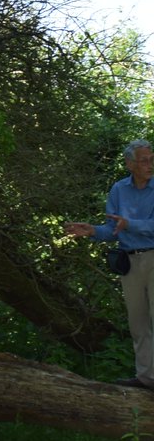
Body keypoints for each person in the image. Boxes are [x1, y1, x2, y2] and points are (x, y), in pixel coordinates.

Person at [64, 138, 154, 389]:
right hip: (130, 260)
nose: (150, 164)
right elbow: (112, 229)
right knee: (138, 322)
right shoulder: (118, 190)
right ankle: (147, 378)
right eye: (144, 160)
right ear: (129, 164)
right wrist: (92, 230)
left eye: (152, 159)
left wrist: (131, 224)